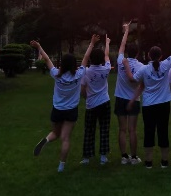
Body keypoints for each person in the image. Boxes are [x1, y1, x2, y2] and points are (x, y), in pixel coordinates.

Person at [128, 33, 171, 169]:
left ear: (148, 56)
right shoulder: (165, 65)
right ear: (161, 56)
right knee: (163, 131)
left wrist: (132, 100)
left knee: (149, 132)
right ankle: (164, 162)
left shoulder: (144, 69)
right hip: (163, 104)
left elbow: (134, 80)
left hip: (148, 105)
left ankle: (148, 162)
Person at [31, 36, 95, 172]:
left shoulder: (56, 75)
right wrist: (92, 43)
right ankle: (61, 166)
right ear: (74, 64)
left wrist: (39, 47)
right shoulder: (78, 75)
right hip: (71, 111)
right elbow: (86, 57)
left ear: (63, 64)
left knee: (55, 133)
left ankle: (47, 140)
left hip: (57, 109)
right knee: (65, 138)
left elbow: (47, 59)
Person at [80, 34, 112, 165]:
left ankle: (86, 158)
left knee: (89, 131)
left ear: (90, 59)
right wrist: (107, 43)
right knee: (104, 129)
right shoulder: (106, 69)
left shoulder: (85, 72)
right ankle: (103, 157)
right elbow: (107, 55)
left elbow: (82, 89)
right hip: (105, 103)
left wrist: (86, 97)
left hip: (91, 104)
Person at [113, 21, 142, 165]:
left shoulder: (121, 61)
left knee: (122, 130)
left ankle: (124, 157)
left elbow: (122, 45)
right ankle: (134, 157)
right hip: (133, 100)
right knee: (132, 130)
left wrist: (126, 31)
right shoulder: (141, 66)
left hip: (120, 98)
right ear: (137, 53)